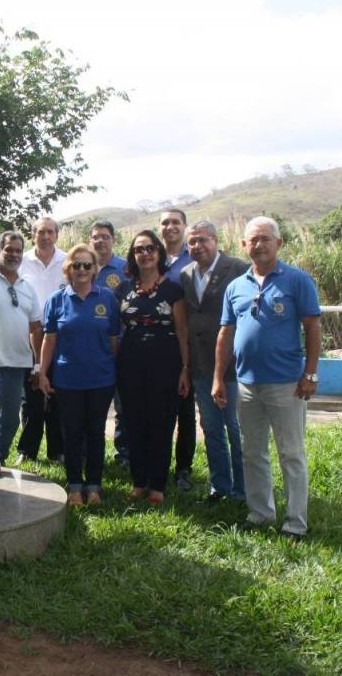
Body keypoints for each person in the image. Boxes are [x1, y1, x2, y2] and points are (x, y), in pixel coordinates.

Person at [213, 216, 321, 540]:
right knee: (252, 452)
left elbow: (312, 327)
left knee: (291, 453)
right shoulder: (236, 286)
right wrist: (218, 378)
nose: (258, 245)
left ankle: (295, 523)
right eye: (252, 240)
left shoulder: (297, 280)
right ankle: (260, 513)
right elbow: (225, 333)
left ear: (279, 243)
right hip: (246, 384)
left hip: (286, 384)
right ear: (243, 245)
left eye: (265, 239)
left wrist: (310, 373)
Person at [37, 244, 120, 506]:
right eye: (77, 265)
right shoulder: (57, 299)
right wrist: (42, 372)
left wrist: (110, 366)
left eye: (87, 265)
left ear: (95, 269)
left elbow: (114, 341)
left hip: (101, 380)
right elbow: (49, 340)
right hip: (68, 379)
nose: (82, 270)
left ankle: (94, 486)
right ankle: (74, 485)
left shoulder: (107, 298)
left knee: (95, 432)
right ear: (68, 269)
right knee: (71, 433)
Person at [115, 230, 190, 505]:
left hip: (165, 362)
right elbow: (115, 330)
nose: (145, 254)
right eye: (139, 249)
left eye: (150, 248)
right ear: (133, 256)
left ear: (159, 252)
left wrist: (185, 368)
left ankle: (157, 484)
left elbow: (182, 330)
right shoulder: (123, 289)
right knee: (133, 421)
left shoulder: (173, 290)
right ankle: (139, 480)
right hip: (130, 362)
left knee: (161, 422)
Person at [180, 221, 249, 502]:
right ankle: (219, 486)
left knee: (235, 428)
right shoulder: (186, 274)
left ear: (216, 240)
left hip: (231, 363)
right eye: (192, 242)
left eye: (203, 240)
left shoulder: (238, 268)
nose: (198, 246)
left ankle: (243, 489)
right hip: (200, 364)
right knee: (210, 428)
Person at [0, 231, 43, 477]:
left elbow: (36, 328)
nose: (14, 255)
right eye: (9, 249)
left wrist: (37, 365)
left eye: (18, 251)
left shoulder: (27, 286)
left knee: (11, 416)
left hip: (18, 360)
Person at [17, 217, 67, 463]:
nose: (46, 237)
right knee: (32, 396)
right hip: (28, 336)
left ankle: (58, 451)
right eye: (41, 232)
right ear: (33, 234)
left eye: (50, 232)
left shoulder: (67, 261)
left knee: (57, 395)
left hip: (60, 339)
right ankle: (27, 451)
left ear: (56, 235)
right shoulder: (21, 261)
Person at [159, 208, 196, 490]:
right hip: (157, 345)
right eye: (165, 222)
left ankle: (183, 468)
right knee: (158, 410)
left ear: (184, 226)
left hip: (187, 343)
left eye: (175, 222)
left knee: (185, 411)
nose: (170, 227)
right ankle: (155, 463)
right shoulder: (151, 256)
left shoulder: (195, 256)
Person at [89, 220, 129, 467]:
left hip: (121, 347)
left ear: (113, 239)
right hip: (91, 349)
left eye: (105, 236)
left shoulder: (125, 268)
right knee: (93, 404)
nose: (100, 240)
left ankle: (123, 453)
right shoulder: (84, 266)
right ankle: (90, 451)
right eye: (96, 236)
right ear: (90, 240)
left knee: (122, 404)